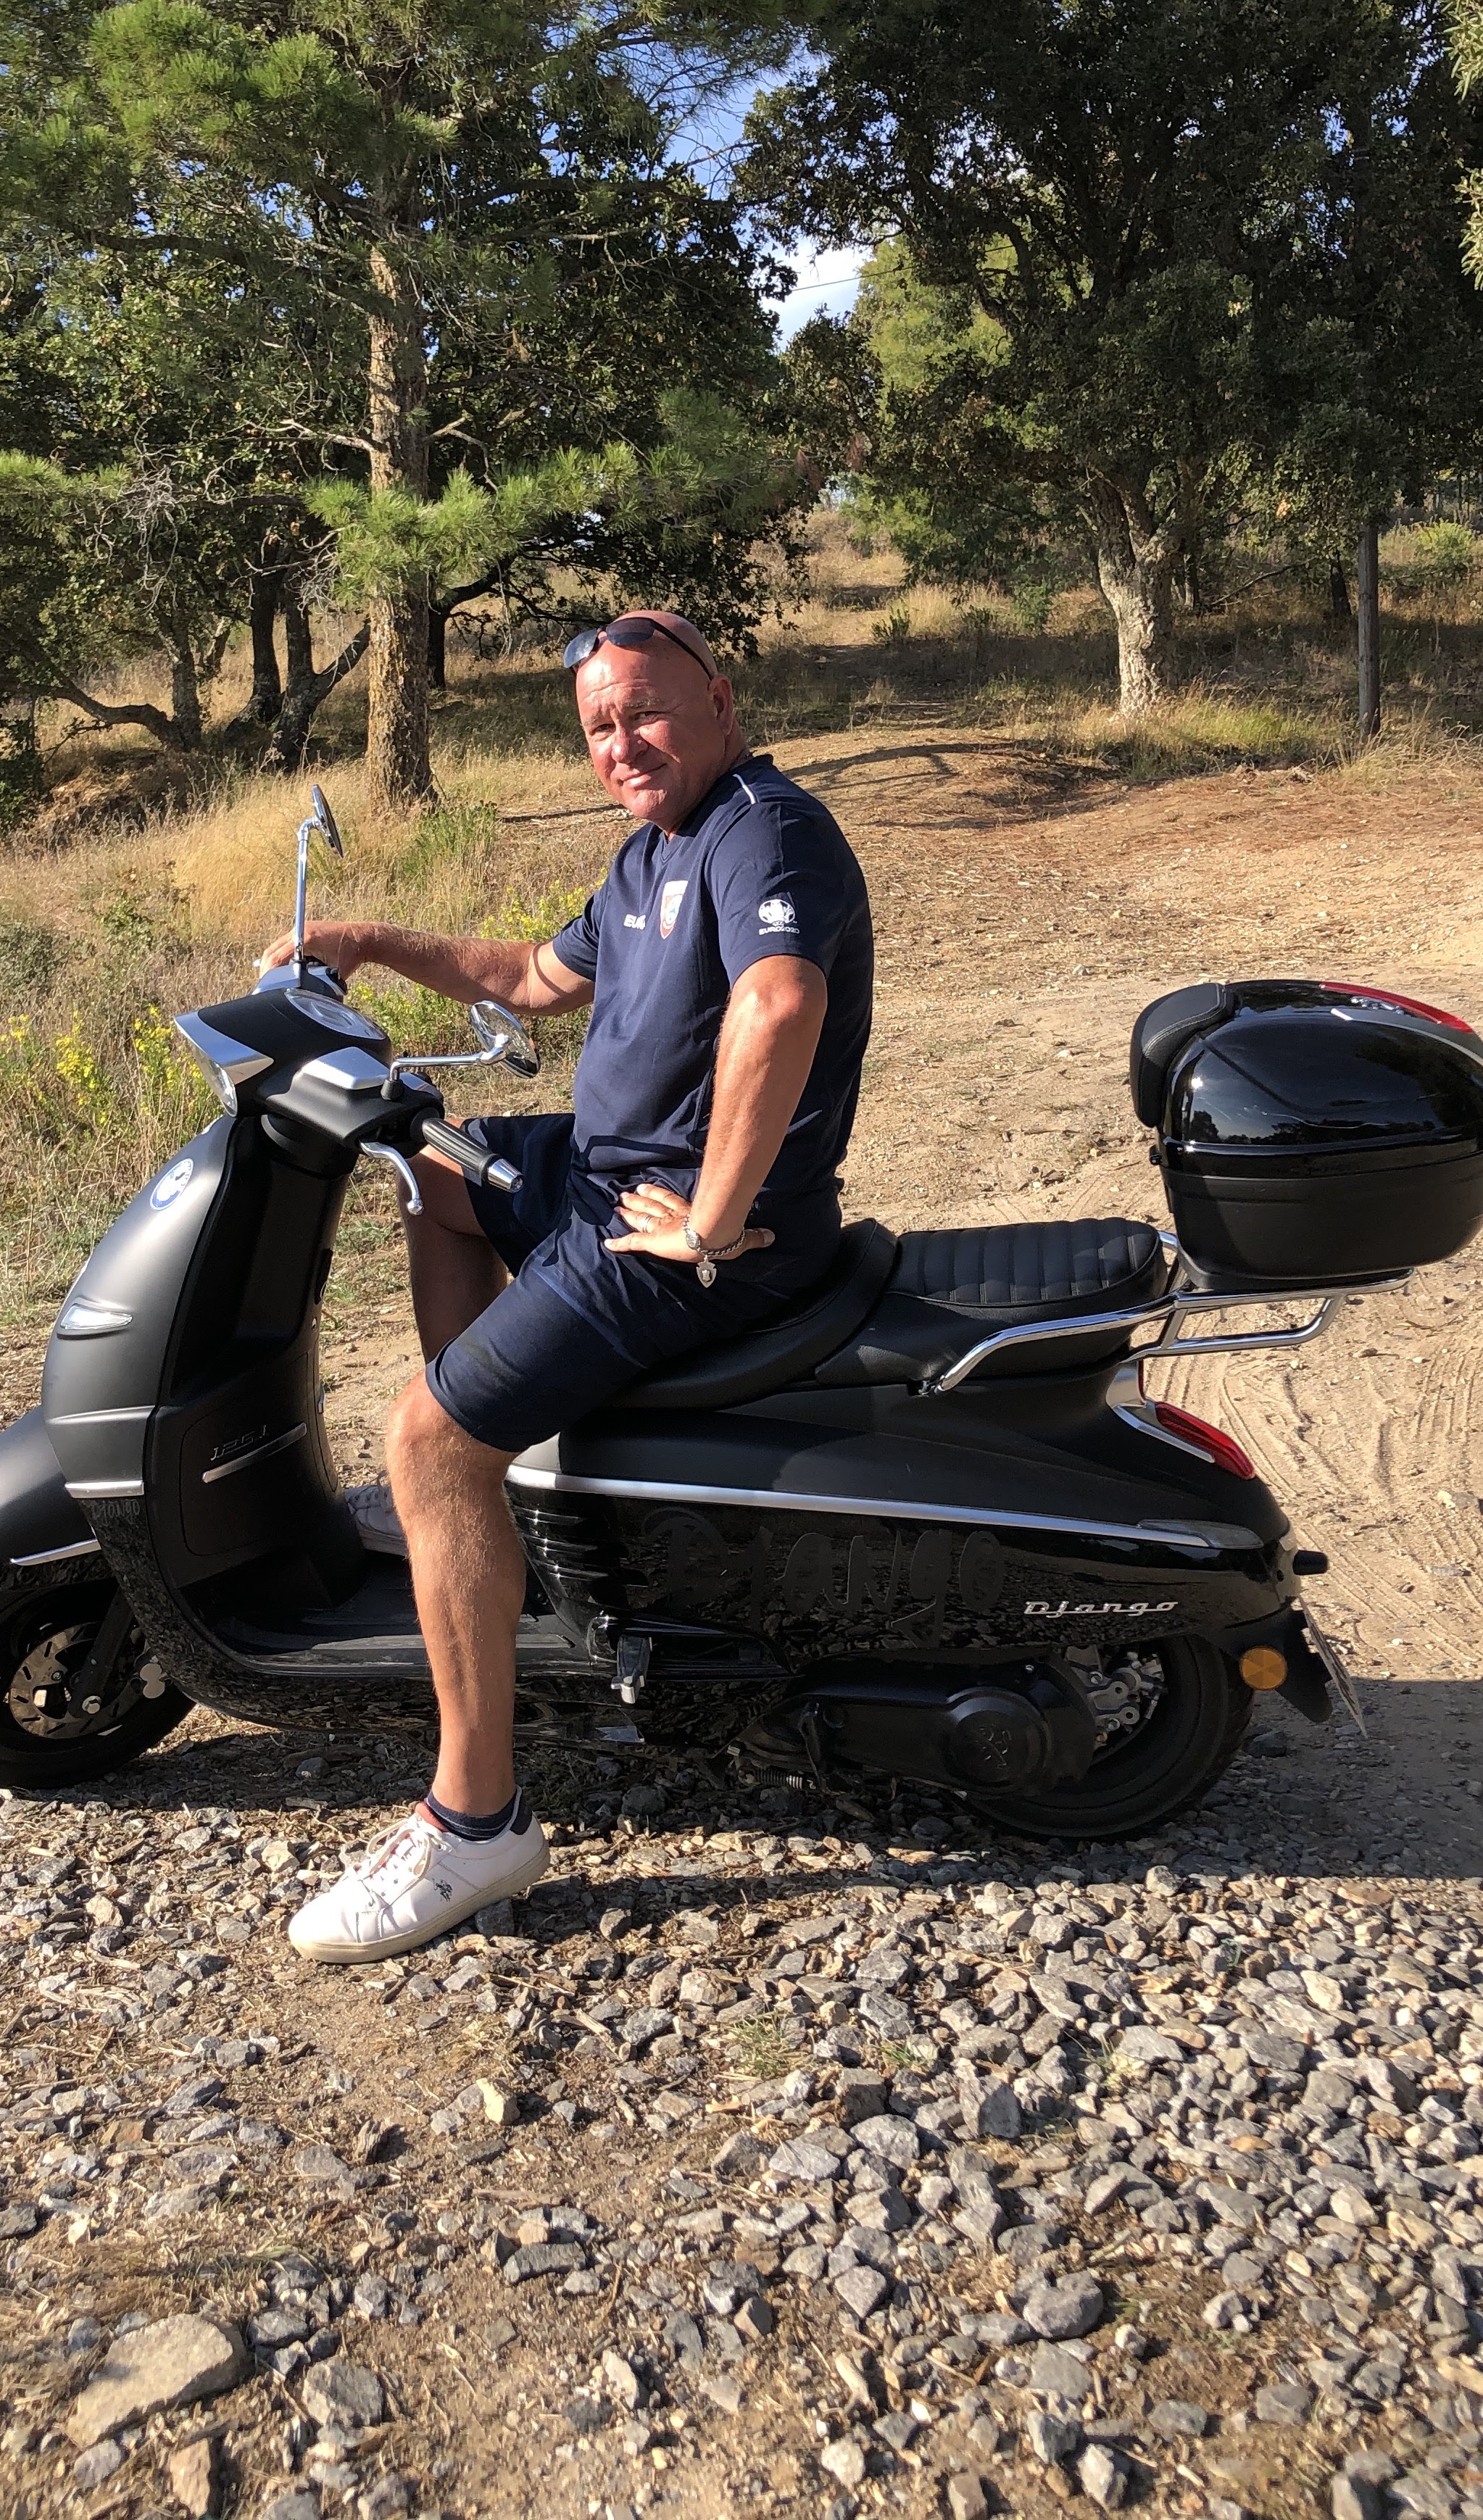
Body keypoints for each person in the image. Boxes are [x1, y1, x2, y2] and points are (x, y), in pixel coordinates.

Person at [262, 610, 874, 1960]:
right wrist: (359, 939)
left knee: (424, 1443)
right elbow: (526, 980)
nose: (622, 744)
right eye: (601, 726)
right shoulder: (653, 849)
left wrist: (714, 1218)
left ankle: (475, 1821)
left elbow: (781, 1003)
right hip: (605, 1179)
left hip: (692, 1234)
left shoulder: (762, 832)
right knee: (436, 1172)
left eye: (645, 712)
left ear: (719, 700)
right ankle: (502, 1478)